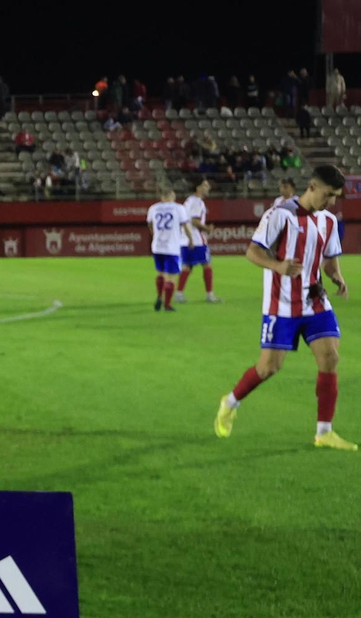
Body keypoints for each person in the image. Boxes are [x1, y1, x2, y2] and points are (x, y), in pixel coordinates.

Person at [215, 166, 355, 450]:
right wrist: (278, 265)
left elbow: (328, 257)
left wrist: (336, 276)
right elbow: (252, 251)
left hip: (315, 301)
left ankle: (324, 432)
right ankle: (230, 402)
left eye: (336, 197)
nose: (331, 202)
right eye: (328, 195)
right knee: (269, 368)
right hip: (281, 306)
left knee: (330, 357)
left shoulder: (328, 220)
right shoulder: (281, 214)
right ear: (312, 186)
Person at [176, 176, 222, 304]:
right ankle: (209, 295)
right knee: (207, 264)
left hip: (185, 239)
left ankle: (179, 294)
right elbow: (195, 220)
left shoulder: (188, 201)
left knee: (187, 267)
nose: (208, 188)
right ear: (198, 188)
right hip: (196, 239)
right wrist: (207, 228)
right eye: (205, 185)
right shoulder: (197, 202)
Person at [146, 186, 189, 312]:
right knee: (171, 277)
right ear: (171, 196)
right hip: (172, 247)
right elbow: (185, 225)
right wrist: (190, 239)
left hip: (157, 246)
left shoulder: (153, 208)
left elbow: (150, 224)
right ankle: (167, 304)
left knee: (161, 273)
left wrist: (155, 234)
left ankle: (159, 295)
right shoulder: (179, 208)